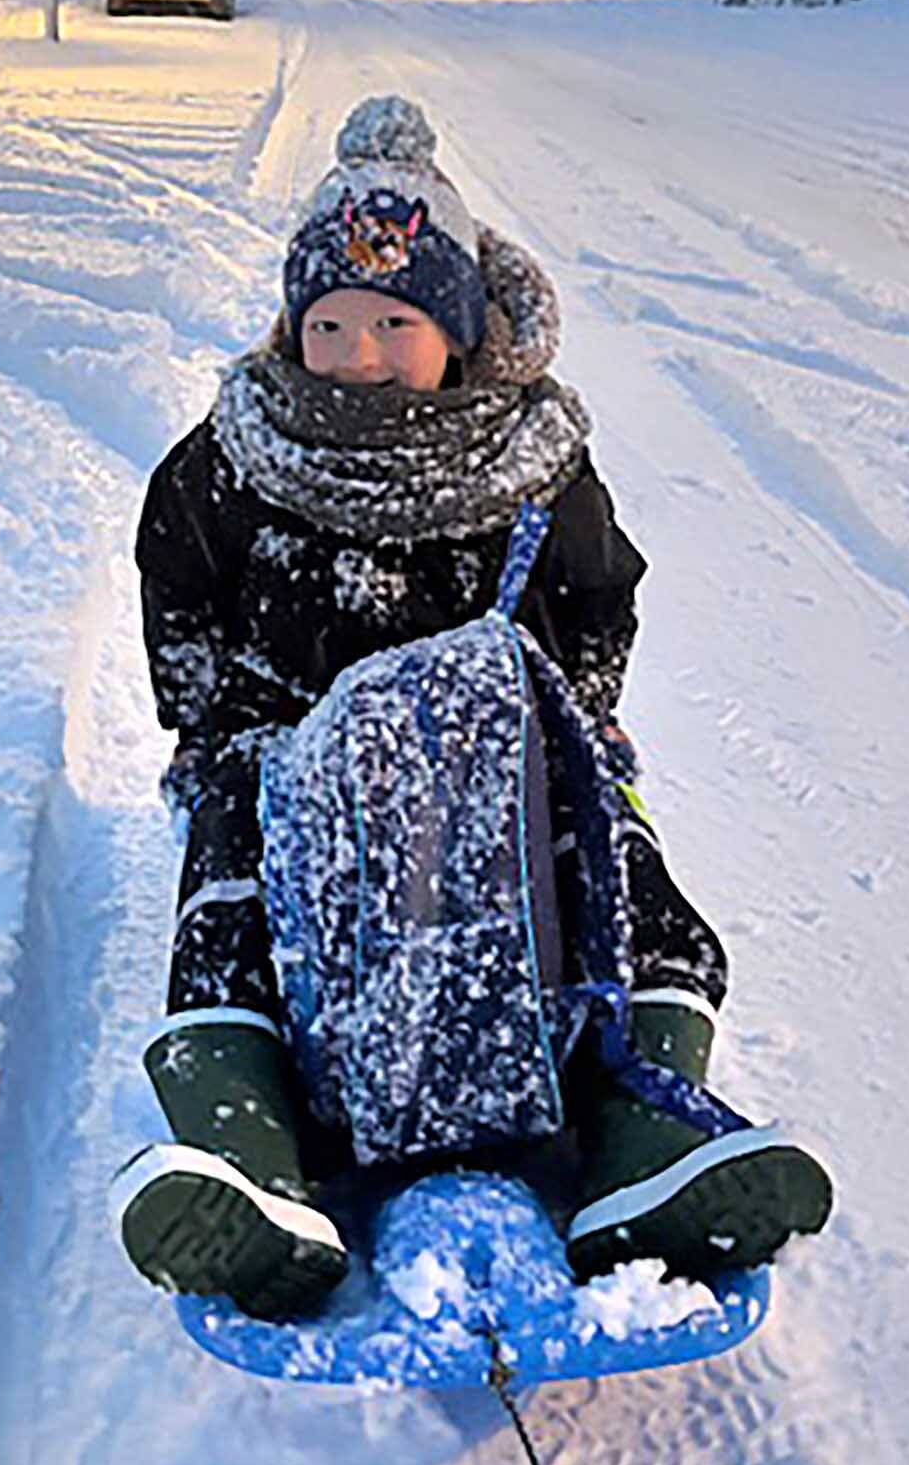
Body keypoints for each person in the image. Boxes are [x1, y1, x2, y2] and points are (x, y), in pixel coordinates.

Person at [111, 95, 832, 1321]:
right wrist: (213, 724)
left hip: (494, 744)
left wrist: (578, 715)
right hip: (292, 746)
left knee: (613, 864)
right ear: (293, 325)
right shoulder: (243, 450)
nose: (359, 353)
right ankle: (247, 1148)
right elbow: (179, 577)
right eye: (329, 323)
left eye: (394, 322)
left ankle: (643, 1127)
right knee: (234, 884)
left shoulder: (523, 457)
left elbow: (598, 589)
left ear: (457, 326)